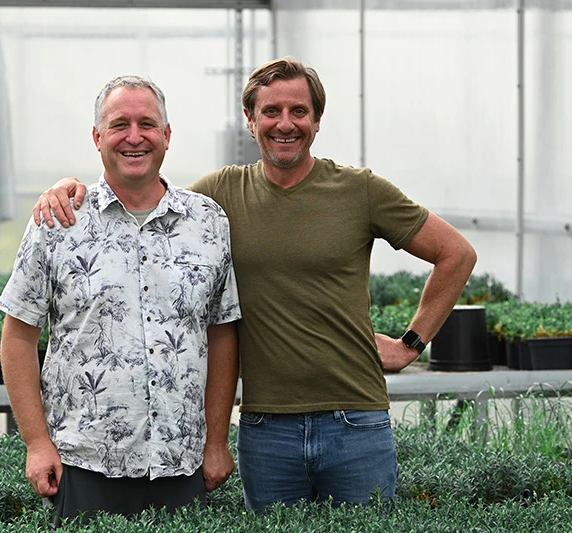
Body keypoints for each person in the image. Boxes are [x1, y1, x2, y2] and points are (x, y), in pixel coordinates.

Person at [31, 58, 478, 511]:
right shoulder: (219, 196)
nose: (285, 124)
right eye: (271, 112)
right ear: (250, 120)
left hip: (355, 421)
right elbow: (145, 196)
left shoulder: (359, 191)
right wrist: (70, 189)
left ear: (317, 120)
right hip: (268, 428)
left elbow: (456, 254)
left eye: (299, 111)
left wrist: (410, 343)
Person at [0, 75, 241, 527]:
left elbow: (222, 334)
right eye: (118, 124)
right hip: (84, 464)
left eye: (147, 124)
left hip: (180, 464)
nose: (134, 136)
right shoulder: (58, 220)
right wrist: (36, 443)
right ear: (97, 137)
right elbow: (17, 337)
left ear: (167, 135)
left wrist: (216, 441)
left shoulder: (208, 222)